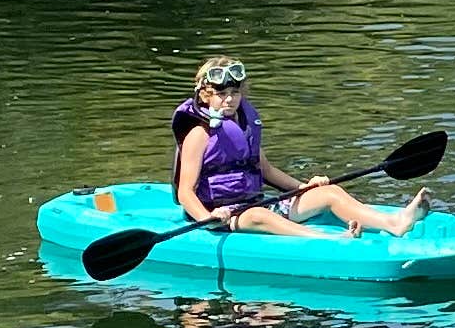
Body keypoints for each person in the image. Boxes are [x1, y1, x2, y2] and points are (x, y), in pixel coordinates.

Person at [169, 55, 426, 239]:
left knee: (330, 193)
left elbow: (266, 170)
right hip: (223, 214)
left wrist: (304, 188)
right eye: (221, 93)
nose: (229, 99)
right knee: (261, 216)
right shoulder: (199, 133)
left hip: (256, 201)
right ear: (205, 95)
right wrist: (207, 219)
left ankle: (394, 223)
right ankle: (327, 240)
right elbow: (185, 192)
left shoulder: (244, 124)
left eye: (234, 93)